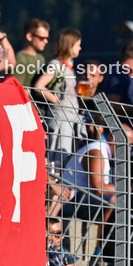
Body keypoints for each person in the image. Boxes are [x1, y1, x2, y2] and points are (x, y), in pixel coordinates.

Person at [34, 27, 82, 164]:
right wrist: (55, 99)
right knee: (57, 162)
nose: (80, 48)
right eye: (78, 44)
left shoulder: (67, 67)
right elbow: (39, 86)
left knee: (64, 161)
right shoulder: (56, 65)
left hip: (69, 120)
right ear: (69, 45)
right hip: (60, 120)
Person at [14, 18, 50, 87]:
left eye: (47, 38)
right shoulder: (20, 58)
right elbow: (16, 89)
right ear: (29, 36)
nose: (46, 41)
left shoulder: (41, 58)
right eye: (42, 38)